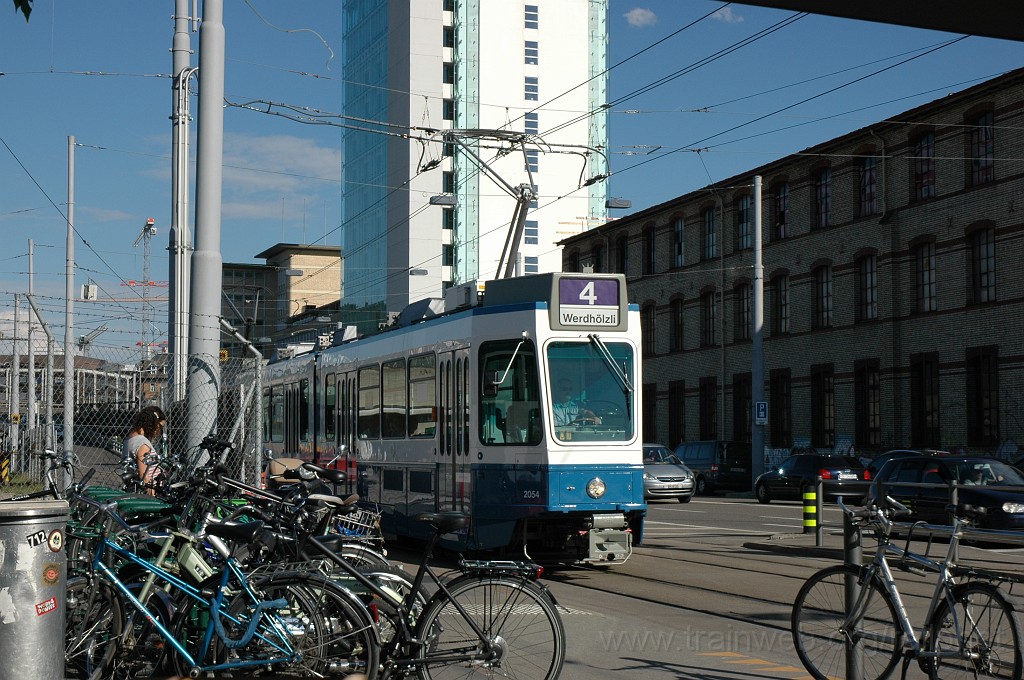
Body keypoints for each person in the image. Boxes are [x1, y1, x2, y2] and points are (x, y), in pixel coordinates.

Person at [123, 406, 167, 494]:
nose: (160, 430)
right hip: (149, 493)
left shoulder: (130, 438)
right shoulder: (142, 443)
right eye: (160, 426)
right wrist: (152, 498)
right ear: (153, 423)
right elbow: (144, 476)